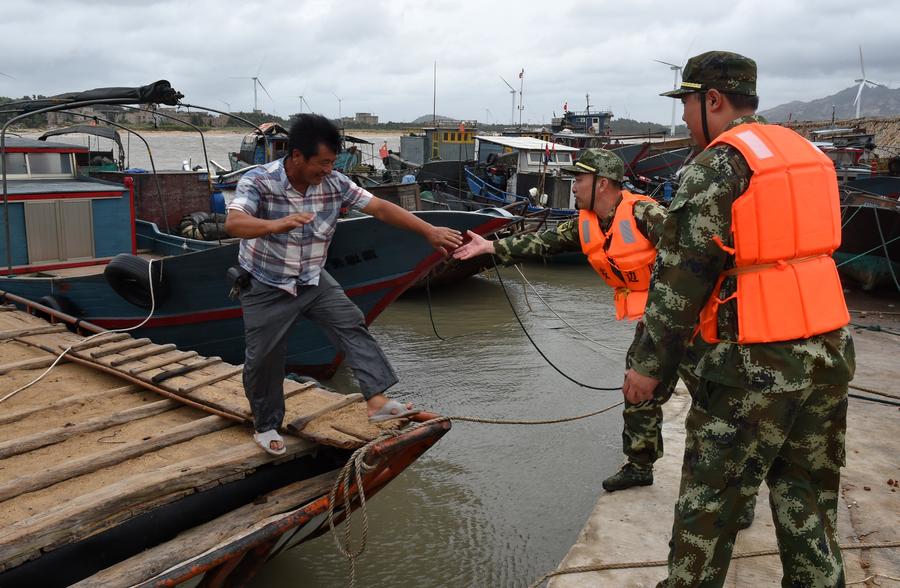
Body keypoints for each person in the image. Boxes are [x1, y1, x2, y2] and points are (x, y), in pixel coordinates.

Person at [622, 51, 855, 586]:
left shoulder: (718, 164)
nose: (682, 117)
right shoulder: (806, 152)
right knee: (810, 496)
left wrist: (648, 367)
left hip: (755, 366)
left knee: (711, 500)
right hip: (828, 352)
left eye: (685, 103)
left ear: (712, 100)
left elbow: (682, 278)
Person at [453, 148, 694, 492]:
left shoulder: (646, 214)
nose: (574, 187)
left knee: (711, 399)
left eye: (579, 180)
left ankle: (729, 486)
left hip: (691, 319)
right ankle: (641, 465)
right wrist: (491, 247)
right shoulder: (587, 223)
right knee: (636, 387)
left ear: (603, 184)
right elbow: (544, 241)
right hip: (653, 321)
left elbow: (690, 261)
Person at [225, 114, 463, 455]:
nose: (327, 170)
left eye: (331, 163)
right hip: (267, 283)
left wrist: (429, 231)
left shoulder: (335, 183)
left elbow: (379, 207)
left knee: (351, 323)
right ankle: (265, 425)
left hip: (311, 277)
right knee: (264, 359)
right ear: (296, 156)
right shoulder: (259, 181)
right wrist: (275, 225)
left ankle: (377, 400)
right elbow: (234, 222)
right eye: (321, 162)